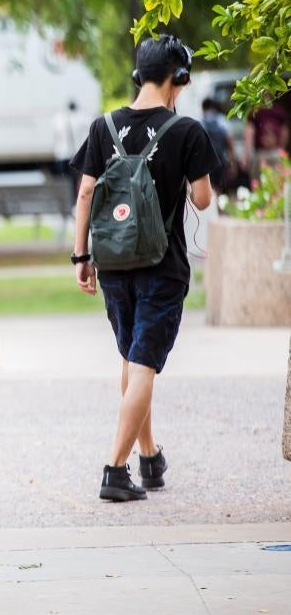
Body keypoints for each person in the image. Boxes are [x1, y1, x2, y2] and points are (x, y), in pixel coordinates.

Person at [69, 35, 218, 502]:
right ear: (177, 78)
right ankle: (115, 469)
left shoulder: (102, 126)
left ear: (138, 76)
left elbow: (85, 194)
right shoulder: (186, 130)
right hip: (162, 265)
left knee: (134, 360)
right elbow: (202, 198)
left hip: (113, 263)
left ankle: (149, 456)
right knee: (145, 363)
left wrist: (82, 256)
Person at [199, 98, 237, 192]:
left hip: (207, 161)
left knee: (212, 187)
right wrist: (233, 163)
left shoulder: (201, 122)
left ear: (203, 108)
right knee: (223, 186)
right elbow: (230, 142)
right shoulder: (222, 120)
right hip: (221, 159)